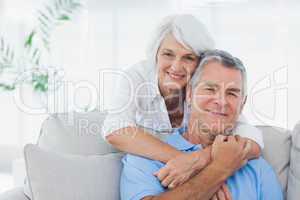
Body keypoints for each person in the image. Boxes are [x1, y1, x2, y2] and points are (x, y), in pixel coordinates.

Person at [102, 14, 263, 189]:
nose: (176, 66)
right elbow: (114, 128)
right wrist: (187, 162)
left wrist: (199, 160)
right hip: (149, 168)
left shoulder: (204, 92)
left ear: (200, 63)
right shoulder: (136, 77)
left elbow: (250, 138)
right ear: (155, 54)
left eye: (188, 57)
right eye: (168, 54)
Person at [120, 50, 283, 200]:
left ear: (243, 104)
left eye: (232, 93)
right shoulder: (146, 157)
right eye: (210, 89)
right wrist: (219, 169)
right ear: (189, 94)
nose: (221, 101)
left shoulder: (256, 166)